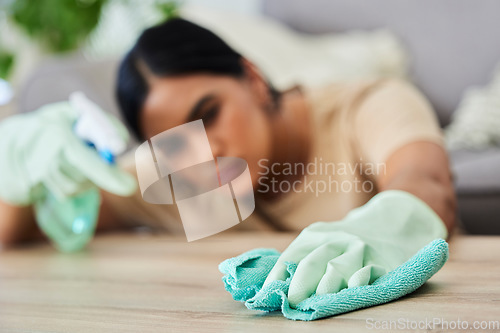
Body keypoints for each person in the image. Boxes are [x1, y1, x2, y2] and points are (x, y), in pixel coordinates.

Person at [0, 18, 456, 245]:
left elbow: (425, 182)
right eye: (176, 141)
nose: (204, 152)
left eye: (209, 113)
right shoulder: (189, 180)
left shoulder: (365, 106)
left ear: (253, 78)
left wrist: (380, 235)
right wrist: (19, 176)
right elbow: (23, 227)